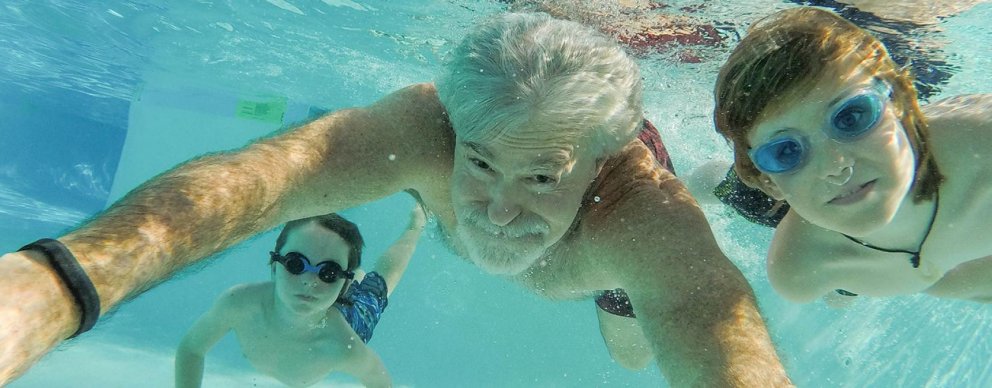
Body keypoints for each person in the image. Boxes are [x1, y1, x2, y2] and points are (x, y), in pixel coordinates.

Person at [0, 12, 792, 386]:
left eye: (543, 177)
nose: (498, 211)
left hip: (614, 271)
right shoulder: (424, 128)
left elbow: (715, 325)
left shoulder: (642, 218)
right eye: (480, 164)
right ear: (455, 130)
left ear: (602, 164)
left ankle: (714, 178)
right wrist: (48, 288)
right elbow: (264, 178)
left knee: (630, 351)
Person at [712, 7, 992, 303]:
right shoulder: (801, 269)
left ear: (898, 101)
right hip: (811, 214)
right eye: (786, 151)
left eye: (850, 118)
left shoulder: (983, 146)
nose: (836, 166)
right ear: (769, 182)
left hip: (829, 205)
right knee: (727, 190)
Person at [174, 204, 425, 388]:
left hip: (348, 316)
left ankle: (415, 226)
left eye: (328, 272)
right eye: (295, 264)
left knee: (377, 286)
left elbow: (378, 381)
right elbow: (191, 349)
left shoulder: (342, 345)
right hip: (336, 294)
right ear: (273, 266)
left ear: (342, 288)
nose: (309, 281)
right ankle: (348, 272)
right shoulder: (239, 304)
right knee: (357, 277)